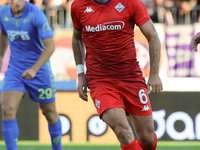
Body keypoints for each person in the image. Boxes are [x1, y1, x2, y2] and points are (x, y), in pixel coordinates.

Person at [71, 0, 163, 150]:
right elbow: (76, 38)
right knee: (123, 131)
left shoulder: (131, 3)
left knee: (147, 139)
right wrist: (80, 73)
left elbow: (153, 35)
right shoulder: (78, 6)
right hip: (100, 80)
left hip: (131, 77)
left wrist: (154, 74)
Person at [0, 0, 62, 150]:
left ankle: (57, 148)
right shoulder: (2, 13)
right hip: (15, 70)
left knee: (50, 113)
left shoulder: (36, 15)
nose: (17, 2)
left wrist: (34, 69)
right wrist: (1, 56)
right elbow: (3, 34)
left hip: (39, 71)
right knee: (7, 109)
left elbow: (51, 45)